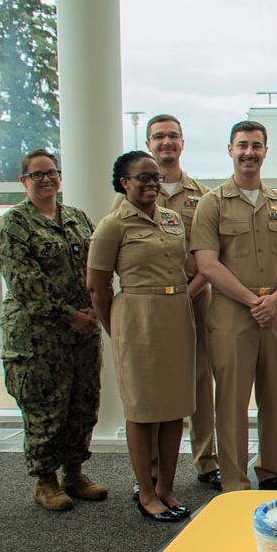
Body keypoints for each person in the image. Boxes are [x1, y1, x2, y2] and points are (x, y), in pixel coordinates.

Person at [191, 121, 277, 492]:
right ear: (230, 150)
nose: (249, 152)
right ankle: (234, 481)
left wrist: (276, 298)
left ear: (266, 152)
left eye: (256, 145)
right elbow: (207, 264)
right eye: (242, 145)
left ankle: (273, 472)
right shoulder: (211, 203)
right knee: (232, 401)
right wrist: (253, 300)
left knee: (276, 397)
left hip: (275, 311)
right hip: (231, 313)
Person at [0, 149, 107, 512]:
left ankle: (74, 473)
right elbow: (25, 281)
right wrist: (68, 314)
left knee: (82, 404)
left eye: (52, 173)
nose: (46, 179)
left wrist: (93, 306)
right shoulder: (14, 224)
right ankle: (45, 480)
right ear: (24, 180)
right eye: (37, 174)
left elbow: (96, 266)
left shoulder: (76, 218)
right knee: (45, 408)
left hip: (83, 332)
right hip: (38, 337)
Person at [110, 114, 220, 492]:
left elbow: (211, 252)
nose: (166, 142)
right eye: (159, 137)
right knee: (152, 387)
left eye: (173, 136)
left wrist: (188, 291)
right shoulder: (122, 203)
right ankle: (153, 470)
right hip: (150, 307)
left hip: (194, 296)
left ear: (183, 142)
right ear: (149, 143)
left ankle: (206, 460)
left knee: (198, 380)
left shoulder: (202, 195)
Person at [88, 151, 195, 522]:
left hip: (176, 314)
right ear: (125, 183)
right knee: (143, 408)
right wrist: (117, 330)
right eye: (143, 178)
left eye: (156, 178)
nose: (152, 184)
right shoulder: (112, 225)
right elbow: (97, 288)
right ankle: (146, 493)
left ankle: (166, 487)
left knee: (173, 409)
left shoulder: (173, 218)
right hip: (138, 317)